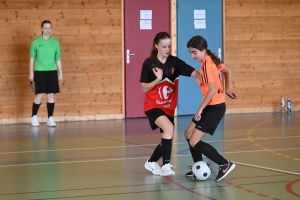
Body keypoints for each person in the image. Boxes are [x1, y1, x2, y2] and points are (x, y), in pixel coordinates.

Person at [140, 32, 199, 176]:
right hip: (153, 105)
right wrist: (158, 78)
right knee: (169, 128)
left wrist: (200, 79)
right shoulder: (149, 63)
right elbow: (144, 87)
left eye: (169, 46)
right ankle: (166, 165)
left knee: (168, 135)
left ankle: (151, 162)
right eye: (164, 46)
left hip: (168, 107)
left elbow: (193, 72)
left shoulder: (175, 62)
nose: (167, 49)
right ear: (156, 46)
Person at [184, 35, 238, 181]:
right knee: (188, 134)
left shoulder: (207, 64)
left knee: (194, 141)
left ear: (203, 50)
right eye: (190, 52)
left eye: (194, 52)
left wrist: (200, 109)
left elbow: (212, 90)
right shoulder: (209, 61)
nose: (192, 55)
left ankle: (224, 164)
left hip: (214, 108)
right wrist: (227, 89)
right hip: (212, 106)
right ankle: (198, 166)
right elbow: (228, 71)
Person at [29, 20, 63, 127]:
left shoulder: (55, 43)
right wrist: (31, 73)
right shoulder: (35, 42)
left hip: (52, 71)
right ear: (41, 29)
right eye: (45, 28)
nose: (48, 30)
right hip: (40, 71)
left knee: (51, 95)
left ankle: (50, 118)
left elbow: (58, 59)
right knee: (40, 94)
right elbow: (32, 58)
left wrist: (60, 73)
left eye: (49, 28)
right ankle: (33, 116)